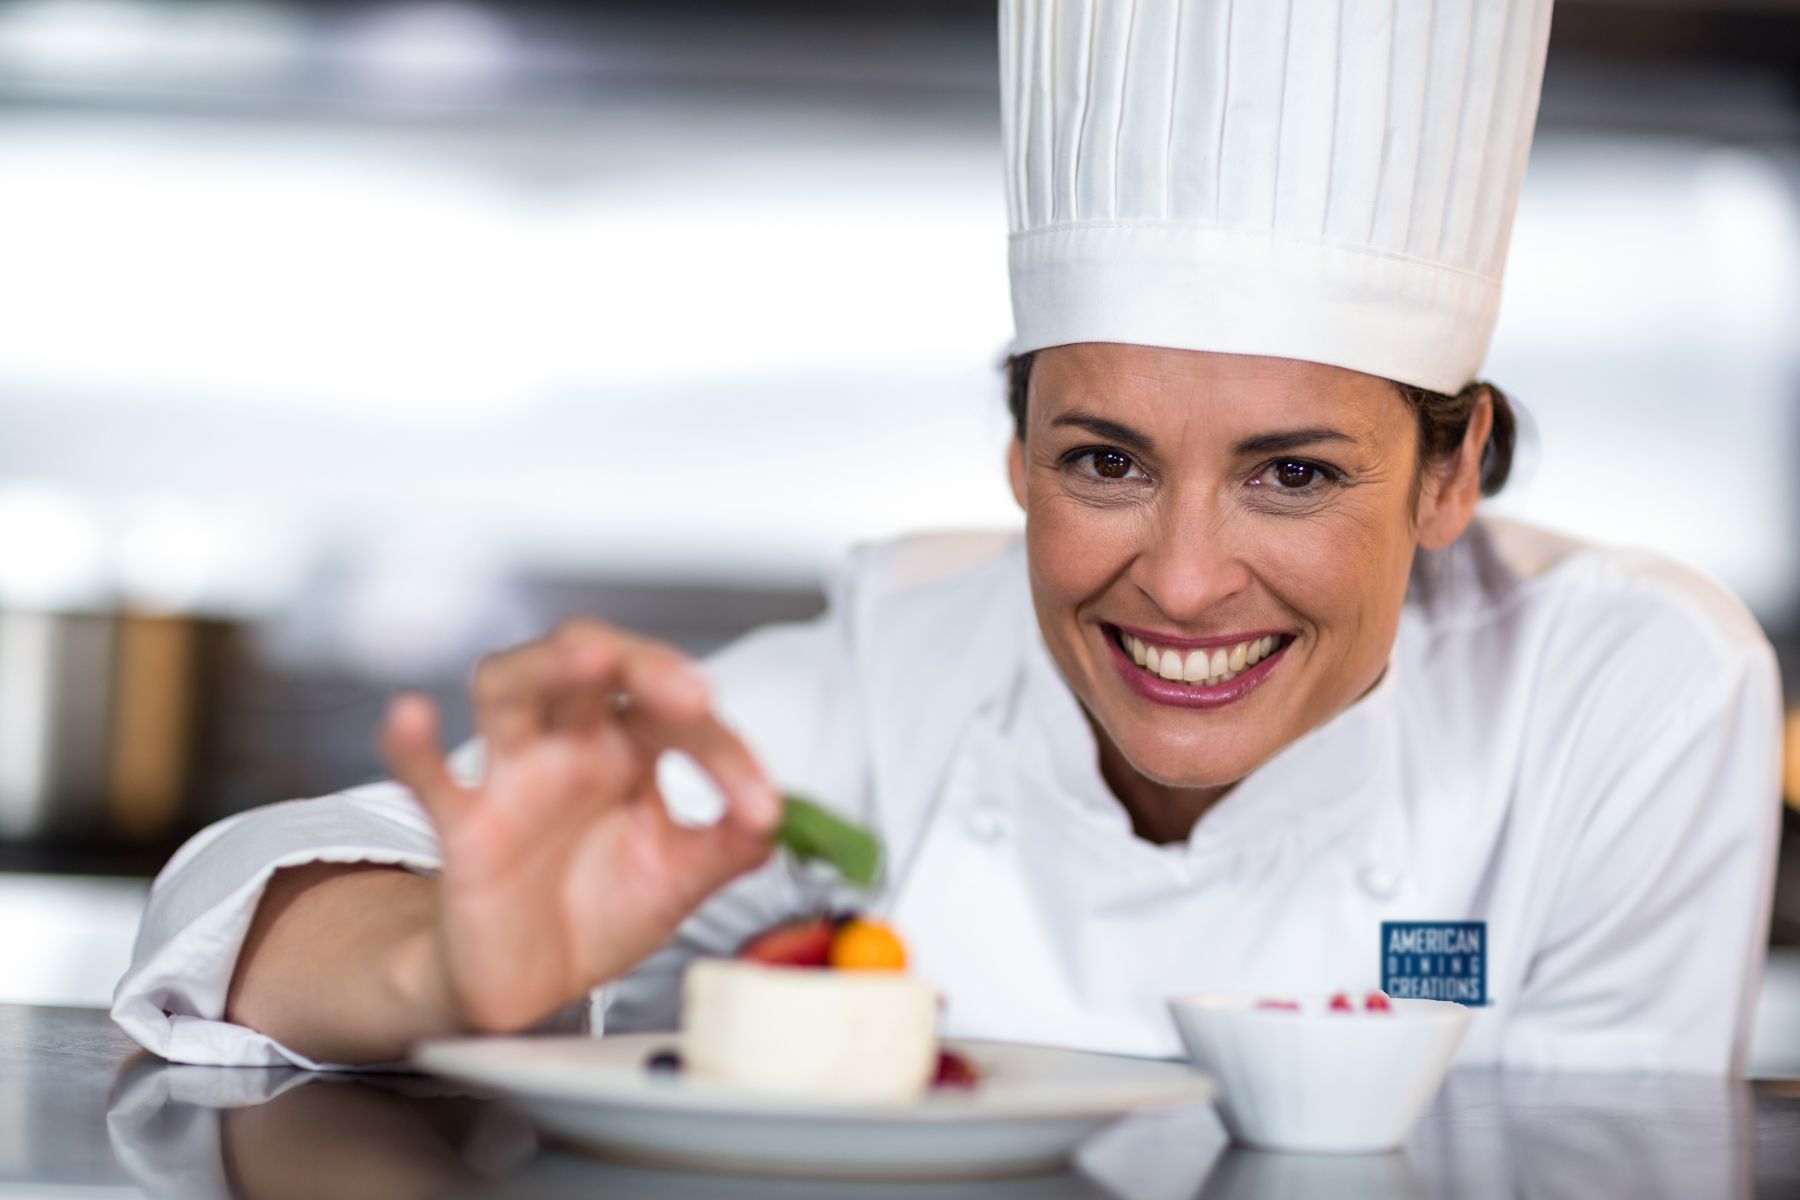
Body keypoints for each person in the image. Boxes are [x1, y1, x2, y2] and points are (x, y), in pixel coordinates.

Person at [115, 0, 1782, 1075]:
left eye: (1293, 476)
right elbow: (236, 908)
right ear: (1013, 450)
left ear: (1450, 472)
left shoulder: (1620, 695)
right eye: (1108, 460)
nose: (1186, 577)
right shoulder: (899, 677)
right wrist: (441, 971)